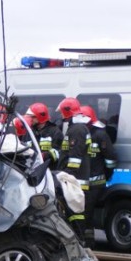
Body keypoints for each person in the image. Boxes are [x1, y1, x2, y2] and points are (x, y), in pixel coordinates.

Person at [80, 105, 118, 249]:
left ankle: (86, 243)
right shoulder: (81, 133)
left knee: (85, 213)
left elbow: (111, 158)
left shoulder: (100, 135)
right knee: (85, 214)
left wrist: (107, 174)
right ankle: (87, 243)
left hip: (95, 184)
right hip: (84, 183)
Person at [56, 97, 91, 243]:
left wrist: (68, 175)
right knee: (74, 210)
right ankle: (78, 239)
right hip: (75, 177)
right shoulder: (77, 128)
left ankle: (79, 240)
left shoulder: (77, 130)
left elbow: (75, 156)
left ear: (67, 111)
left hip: (75, 179)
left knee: (75, 211)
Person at [25, 102, 63, 169]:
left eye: (33, 117)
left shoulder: (55, 131)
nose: (31, 119)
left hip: (49, 170)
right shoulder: (30, 131)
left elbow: (59, 152)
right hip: (32, 169)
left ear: (40, 116)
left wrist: (44, 155)